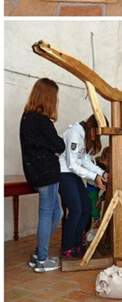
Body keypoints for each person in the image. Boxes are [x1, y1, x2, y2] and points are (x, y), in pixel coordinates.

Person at [20, 78, 66, 272]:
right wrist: (52, 149)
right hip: (47, 173)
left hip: (35, 172)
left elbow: (41, 145)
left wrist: (50, 148)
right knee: (47, 213)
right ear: (48, 97)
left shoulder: (26, 118)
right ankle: (42, 260)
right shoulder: (42, 120)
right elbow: (59, 145)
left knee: (57, 212)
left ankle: (39, 253)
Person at [58, 115, 106, 258]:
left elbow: (85, 162)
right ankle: (67, 247)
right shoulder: (74, 134)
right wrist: (94, 177)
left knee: (86, 208)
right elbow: (72, 164)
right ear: (92, 127)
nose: (96, 137)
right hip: (64, 173)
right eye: (96, 133)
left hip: (73, 174)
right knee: (76, 209)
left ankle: (77, 244)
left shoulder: (83, 136)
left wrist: (102, 173)